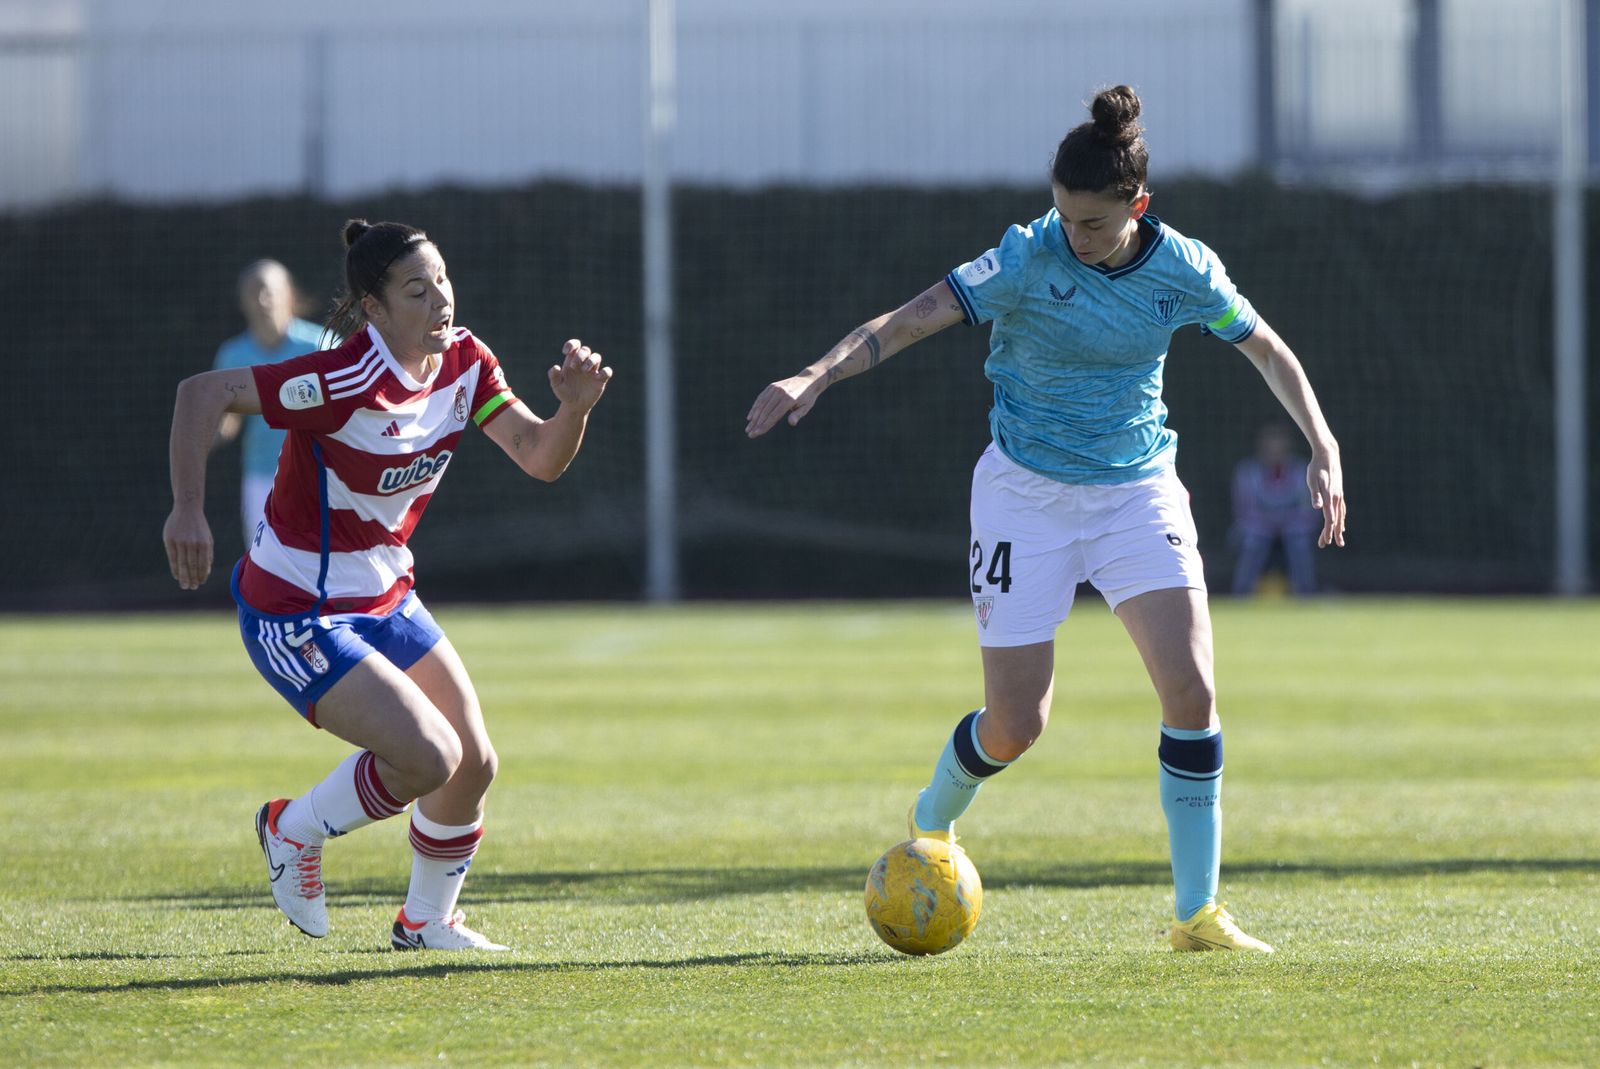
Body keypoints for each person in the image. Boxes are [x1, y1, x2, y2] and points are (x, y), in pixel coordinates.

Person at [746, 86, 1345, 953]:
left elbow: (1267, 348)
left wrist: (1322, 442)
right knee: (1016, 724)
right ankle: (930, 817)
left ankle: (1197, 914)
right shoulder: (1028, 255)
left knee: (1192, 690)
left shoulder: (1185, 268)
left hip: (1137, 490)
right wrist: (818, 372)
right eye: (1064, 215)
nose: (1074, 235)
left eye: (1094, 223)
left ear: (1138, 206)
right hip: (1024, 494)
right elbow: (911, 319)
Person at [163, 219, 613, 950]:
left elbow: (538, 455)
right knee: (429, 757)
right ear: (374, 309)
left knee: (474, 763)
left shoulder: (466, 361)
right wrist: (186, 510)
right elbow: (199, 394)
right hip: (297, 611)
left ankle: (426, 921)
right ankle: (290, 828)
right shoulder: (342, 377)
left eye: (441, 279)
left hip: (385, 596)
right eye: (416, 289)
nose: (440, 298)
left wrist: (574, 410)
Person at [212, 260, 328, 540]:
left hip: (319, 478)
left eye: (268, 291)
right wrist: (198, 440)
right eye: (253, 292)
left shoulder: (320, 345)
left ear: (288, 294)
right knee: (264, 570)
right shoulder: (232, 355)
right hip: (261, 479)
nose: (262, 300)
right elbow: (227, 422)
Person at [1230, 423, 1321, 596]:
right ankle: (1241, 593)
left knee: (1299, 543)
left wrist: (1285, 523)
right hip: (1257, 529)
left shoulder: (1303, 471)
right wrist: (1269, 524)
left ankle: (1306, 593)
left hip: (1294, 529)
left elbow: (1309, 510)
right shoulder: (1247, 472)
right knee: (1252, 542)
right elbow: (1244, 512)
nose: (1275, 450)